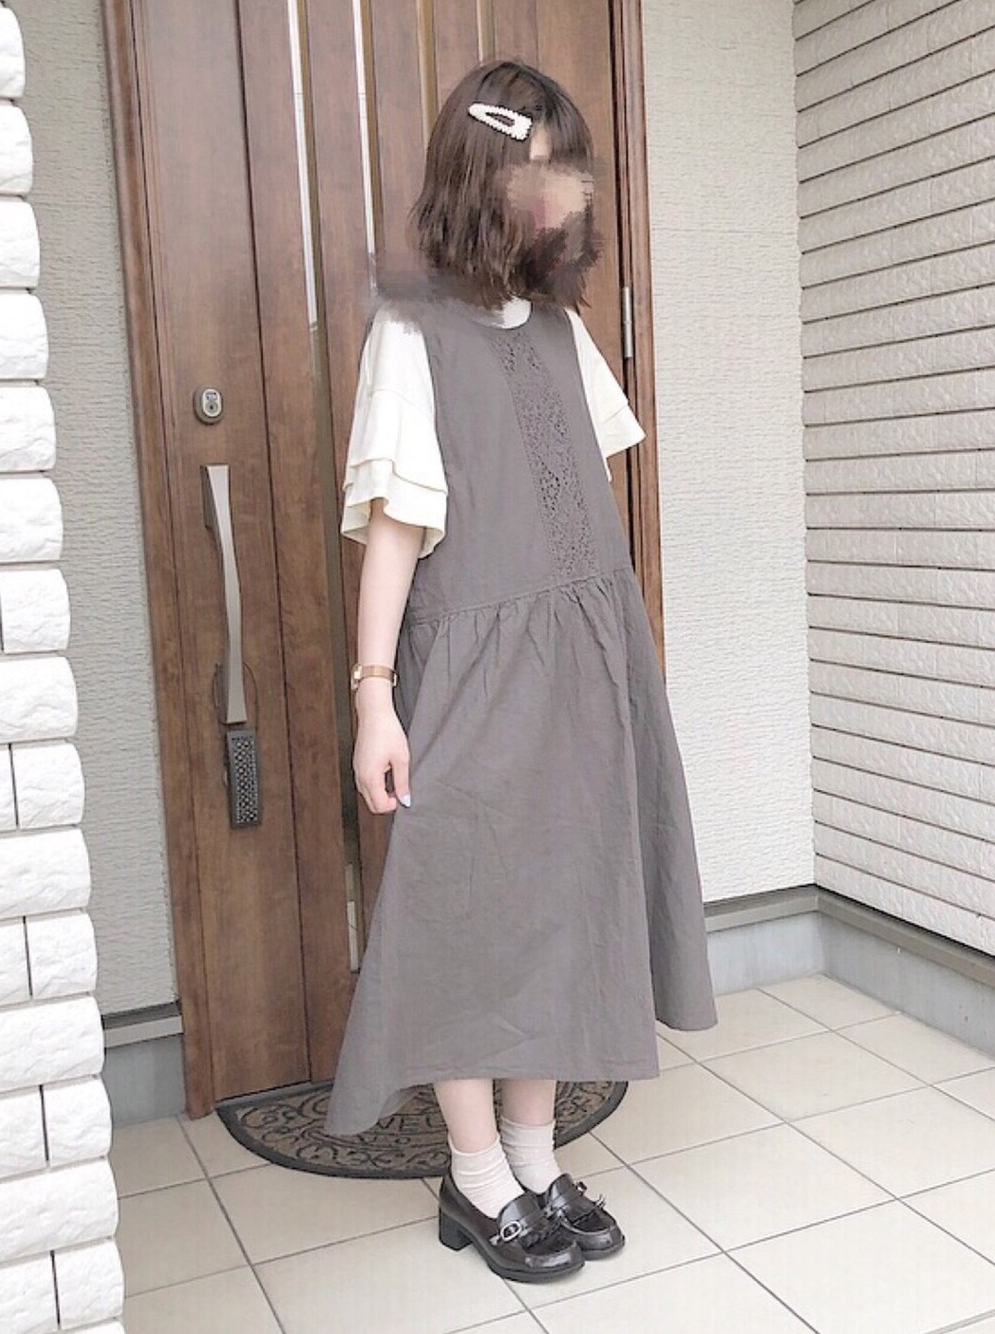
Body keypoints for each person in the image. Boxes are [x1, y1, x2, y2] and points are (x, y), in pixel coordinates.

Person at [323, 58, 718, 1284]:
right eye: (535, 172)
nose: (557, 195)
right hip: (470, 666)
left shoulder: (562, 330)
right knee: (464, 913)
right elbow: (395, 525)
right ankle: (474, 1171)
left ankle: (536, 1158)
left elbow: (582, 499)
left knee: (557, 902)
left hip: (581, 664)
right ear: (478, 177)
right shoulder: (410, 330)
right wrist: (374, 694)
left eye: (565, 173)